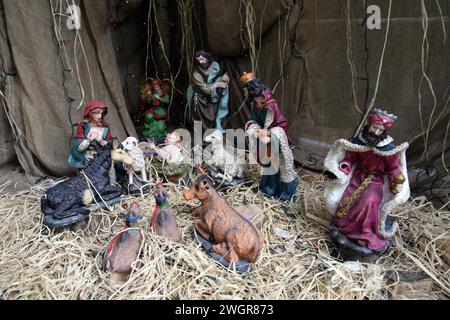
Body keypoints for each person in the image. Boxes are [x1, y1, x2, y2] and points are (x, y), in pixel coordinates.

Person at [324, 108, 410, 259]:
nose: (376, 133)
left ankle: (365, 234)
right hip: (358, 177)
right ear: (368, 125)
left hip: (375, 181)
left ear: (385, 131)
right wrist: (342, 169)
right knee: (347, 199)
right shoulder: (358, 142)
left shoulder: (388, 149)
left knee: (369, 201)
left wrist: (396, 182)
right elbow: (349, 158)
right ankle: (345, 228)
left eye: (380, 130)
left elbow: (394, 169)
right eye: (374, 128)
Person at [242, 73, 299, 201]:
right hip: (263, 140)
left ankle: (283, 192)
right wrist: (254, 129)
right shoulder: (255, 105)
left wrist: (268, 133)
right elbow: (253, 120)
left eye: (248, 91)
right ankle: (268, 188)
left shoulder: (271, 105)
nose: (248, 95)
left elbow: (282, 124)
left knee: (278, 165)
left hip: (274, 139)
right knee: (268, 165)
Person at [187, 50, 230, 132]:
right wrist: (217, 85)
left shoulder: (214, 67)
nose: (201, 61)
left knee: (213, 118)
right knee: (201, 121)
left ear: (207, 58)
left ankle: (214, 139)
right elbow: (205, 89)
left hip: (212, 99)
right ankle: (202, 141)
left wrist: (223, 78)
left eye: (202, 59)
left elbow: (215, 79)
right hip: (200, 101)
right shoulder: (196, 73)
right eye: (199, 60)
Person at [67, 100, 113, 169]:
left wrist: (101, 141)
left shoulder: (105, 126)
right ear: (90, 113)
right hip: (88, 156)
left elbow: (109, 143)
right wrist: (89, 140)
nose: (100, 116)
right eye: (97, 113)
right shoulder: (83, 125)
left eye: (101, 113)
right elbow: (78, 146)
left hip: (102, 156)